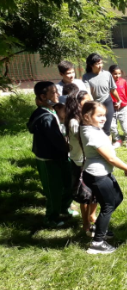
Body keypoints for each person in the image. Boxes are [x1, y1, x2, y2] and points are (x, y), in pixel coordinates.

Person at [80, 101, 127, 254]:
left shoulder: (93, 128)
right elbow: (110, 158)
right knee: (108, 205)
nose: (103, 118)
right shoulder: (90, 133)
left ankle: (99, 228)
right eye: (99, 116)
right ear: (86, 117)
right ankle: (97, 243)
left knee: (117, 198)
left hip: (103, 173)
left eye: (104, 115)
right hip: (98, 175)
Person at [27, 81, 74, 228]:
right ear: (42, 96)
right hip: (48, 158)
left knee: (69, 183)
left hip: (61, 155)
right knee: (54, 189)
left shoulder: (51, 109)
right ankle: (51, 217)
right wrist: (70, 148)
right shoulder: (44, 117)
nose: (57, 94)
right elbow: (55, 139)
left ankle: (64, 208)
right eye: (53, 92)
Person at [64, 90, 98, 235]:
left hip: (91, 160)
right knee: (85, 195)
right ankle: (85, 225)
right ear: (78, 103)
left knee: (95, 192)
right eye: (87, 101)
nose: (91, 103)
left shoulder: (86, 117)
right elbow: (85, 140)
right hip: (81, 162)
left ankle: (92, 215)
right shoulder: (74, 121)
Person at [82, 53, 123, 137]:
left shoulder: (107, 74)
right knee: (96, 128)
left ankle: (108, 147)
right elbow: (88, 92)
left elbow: (112, 89)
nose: (100, 65)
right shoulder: (86, 77)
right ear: (91, 65)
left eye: (101, 63)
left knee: (106, 129)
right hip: (95, 104)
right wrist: (92, 105)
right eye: (97, 64)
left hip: (107, 102)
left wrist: (119, 100)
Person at [109, 65, 127, 149]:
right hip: (112, 107)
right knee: (112, 126)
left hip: (123, 107)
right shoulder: (107, 82)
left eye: (119, 73)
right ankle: (118, 140)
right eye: (115, 74)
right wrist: (113, 103)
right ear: (110, 74)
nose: (117, 76)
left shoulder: (123, 81)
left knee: (124, 125)